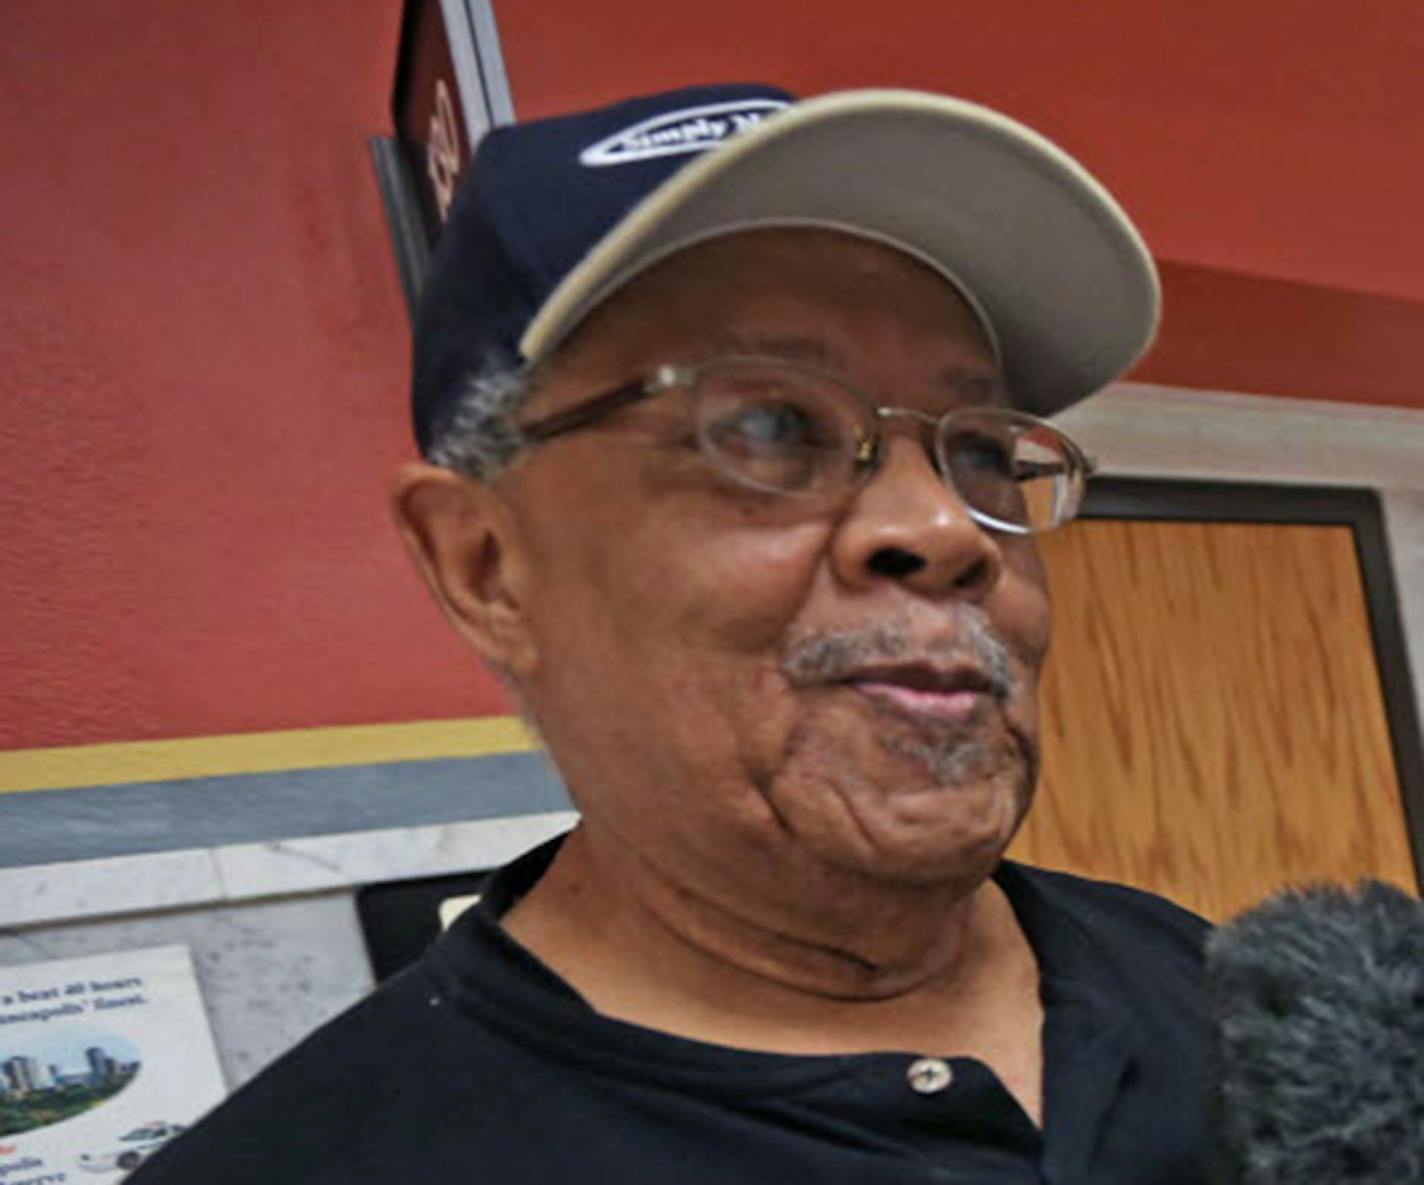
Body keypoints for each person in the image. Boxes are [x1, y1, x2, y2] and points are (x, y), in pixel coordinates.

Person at [133, 83, 1209, 1184]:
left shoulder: (1216, 986)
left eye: (977, 452)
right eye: (766, 425)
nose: (941, 528)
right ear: (486, 567)